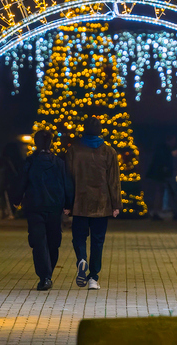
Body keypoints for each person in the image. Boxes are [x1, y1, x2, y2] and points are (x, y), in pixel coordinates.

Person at [12, 130, 74, 291]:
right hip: (55, 207)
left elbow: (21, 182)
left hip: (35, 206)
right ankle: (48, 274)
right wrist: (68, 204)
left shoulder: (30, 162)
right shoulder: (59, 163)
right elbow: (67, 184)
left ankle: (44, 276)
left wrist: (16, 200)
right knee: (53, 242)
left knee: (39, 242)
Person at [66, 116, 121, 291]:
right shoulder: (108, 151)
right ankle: (93, 277)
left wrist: (67, 204)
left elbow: (68, 179)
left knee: (79, 237)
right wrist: (116, 204)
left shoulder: (74, 150)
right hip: (101, 203)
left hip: (79, 202)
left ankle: (82, 259)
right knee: (98, 241)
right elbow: (114, 180)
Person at [146, 135, 177, 220]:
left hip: (161, 175)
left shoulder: (162, 149)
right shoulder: (165, 150)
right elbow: (165, 163)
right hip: (163, 175)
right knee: (162, 193)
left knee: (160, 193)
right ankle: (167, 212)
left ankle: (157, 212)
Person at [0, 142, 25, 220]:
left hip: (9, 179)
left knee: (5, 195)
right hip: (14, 180)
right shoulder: (18, 159)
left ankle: (8, 211)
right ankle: (11, 211)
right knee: (11, 195)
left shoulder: (7, 159)